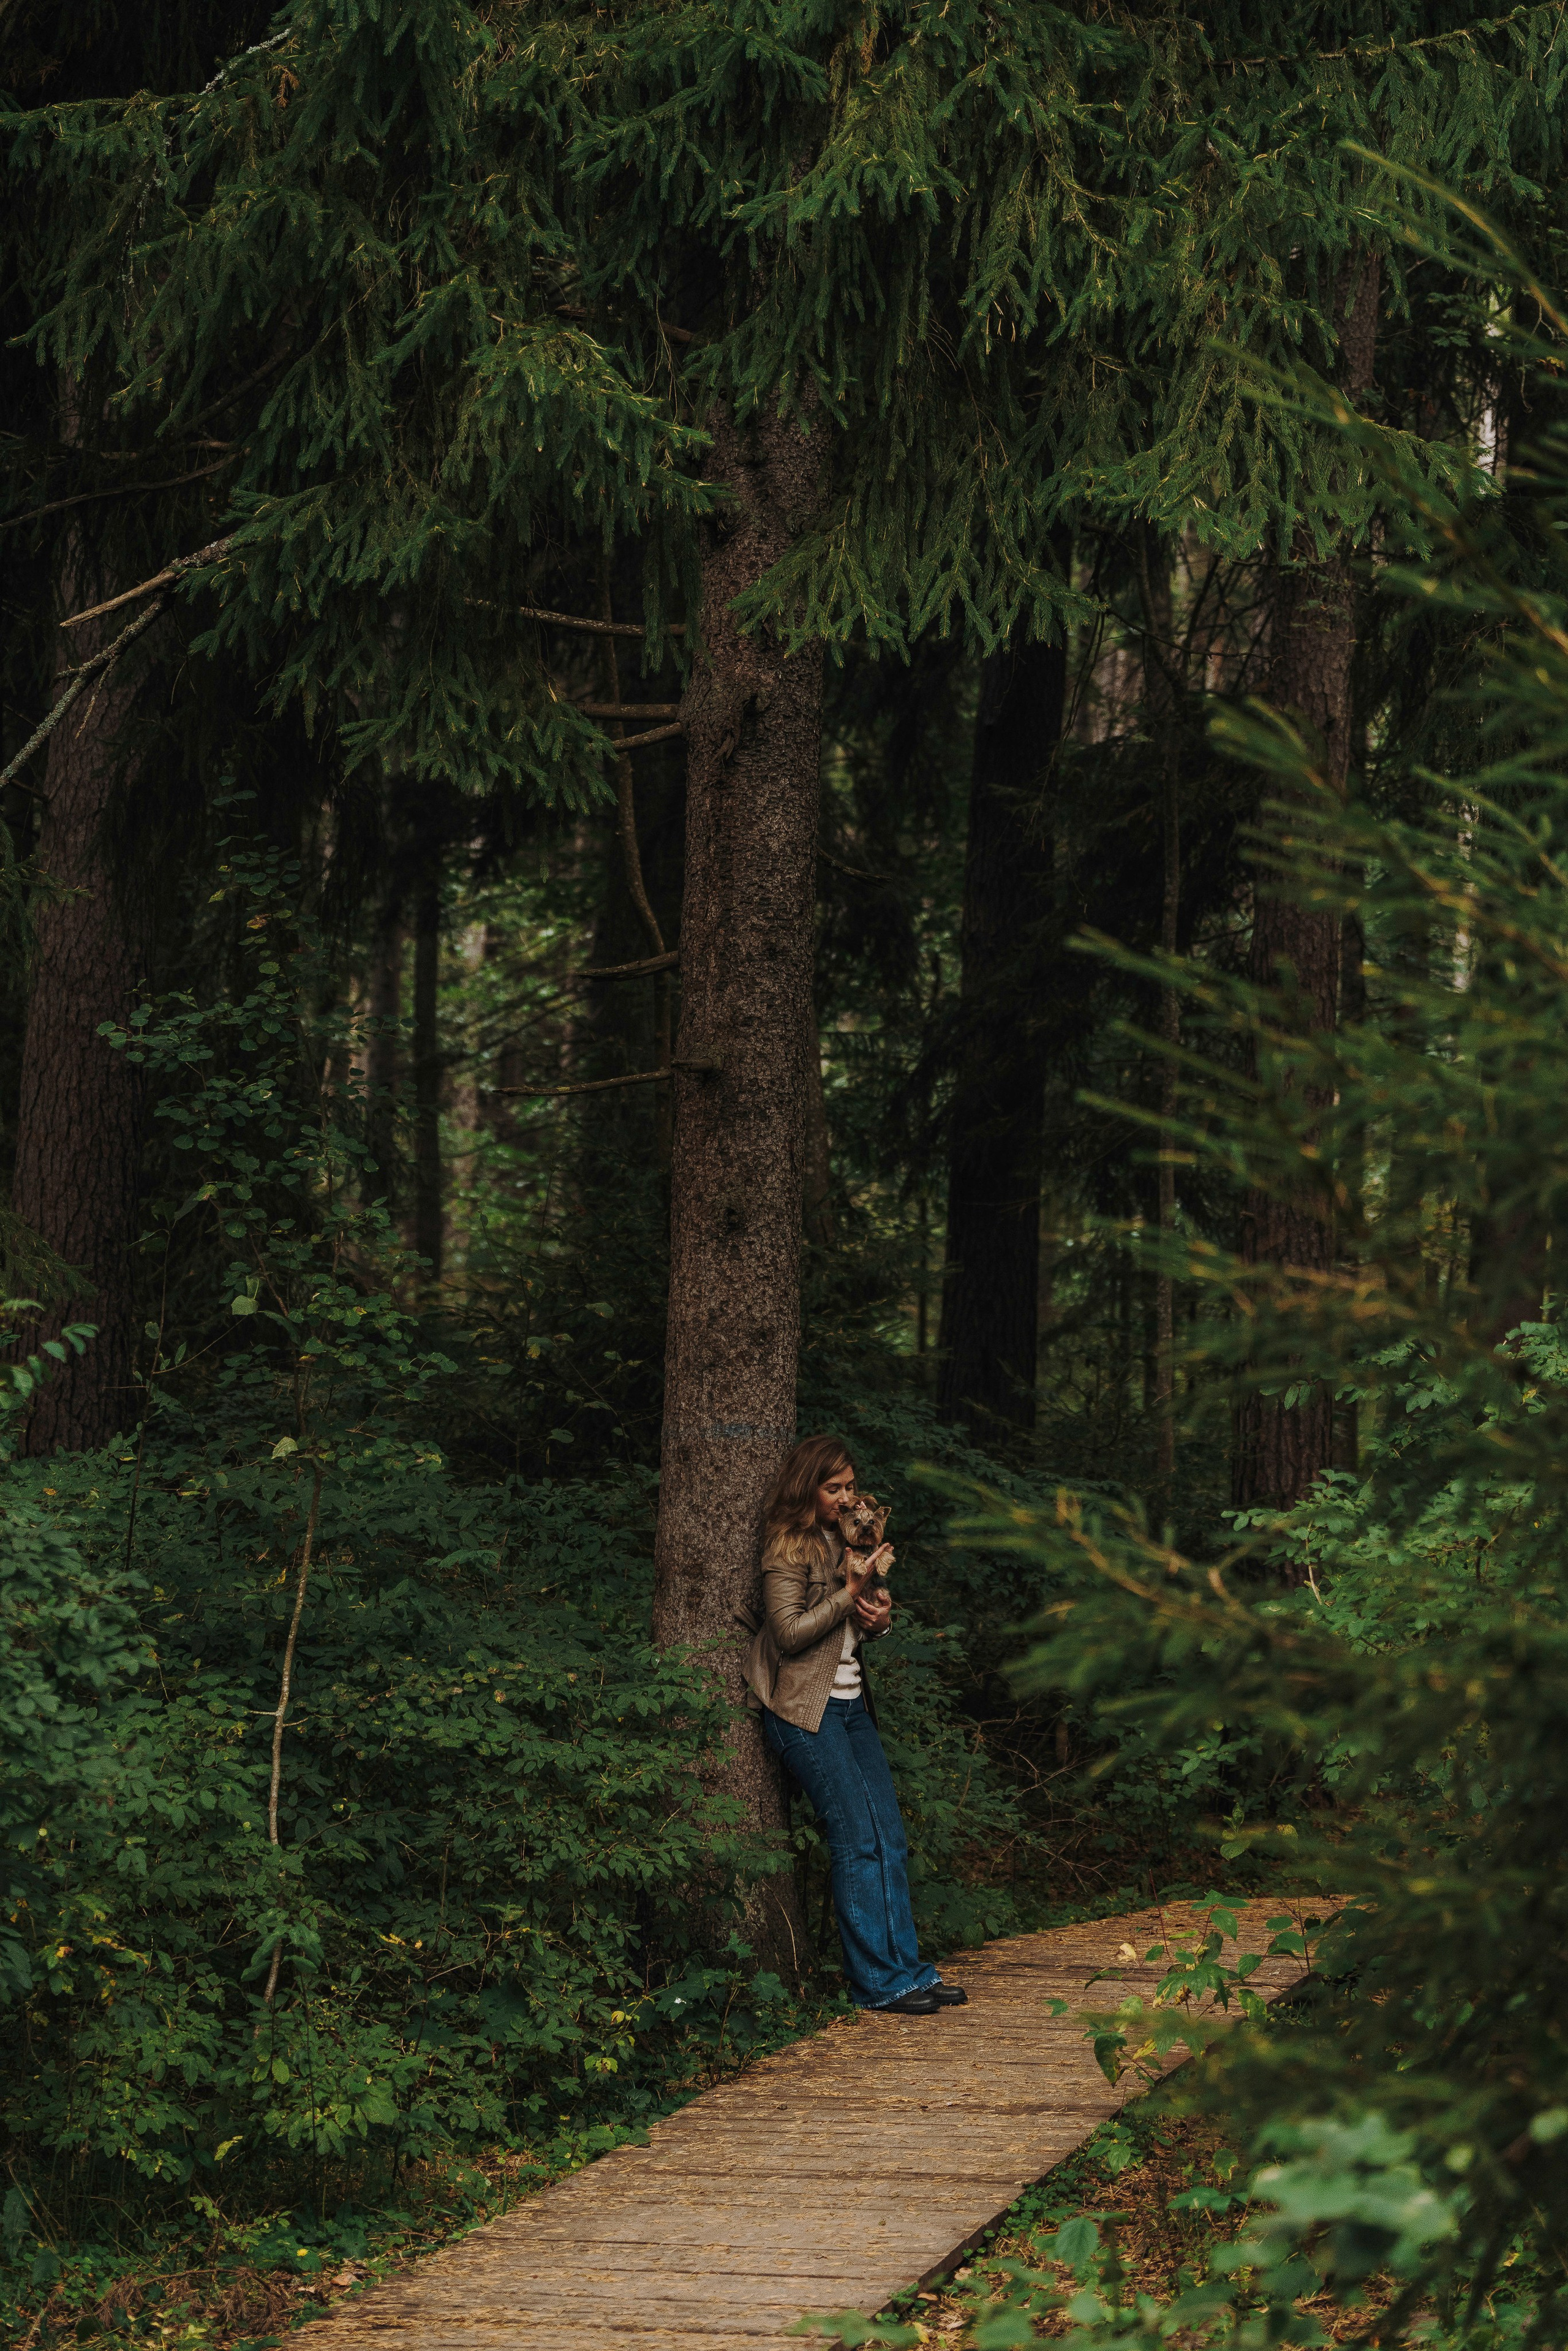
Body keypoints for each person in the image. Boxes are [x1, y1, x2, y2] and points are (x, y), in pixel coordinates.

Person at [743, 1432, 967, 2016]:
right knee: (857, 1842)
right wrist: (848, 1593)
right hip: (805, 1713)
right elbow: (789, 1633)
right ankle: (879, 1984)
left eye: (850, 1487)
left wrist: (879, 1618)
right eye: (833, 1488)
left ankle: (909, 1973)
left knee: (889, 1838)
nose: (846, 1498)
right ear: (807, 1487)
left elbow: (854, 1630)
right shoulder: (788, 1546)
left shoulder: (851, 1539)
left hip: (853, 1707)